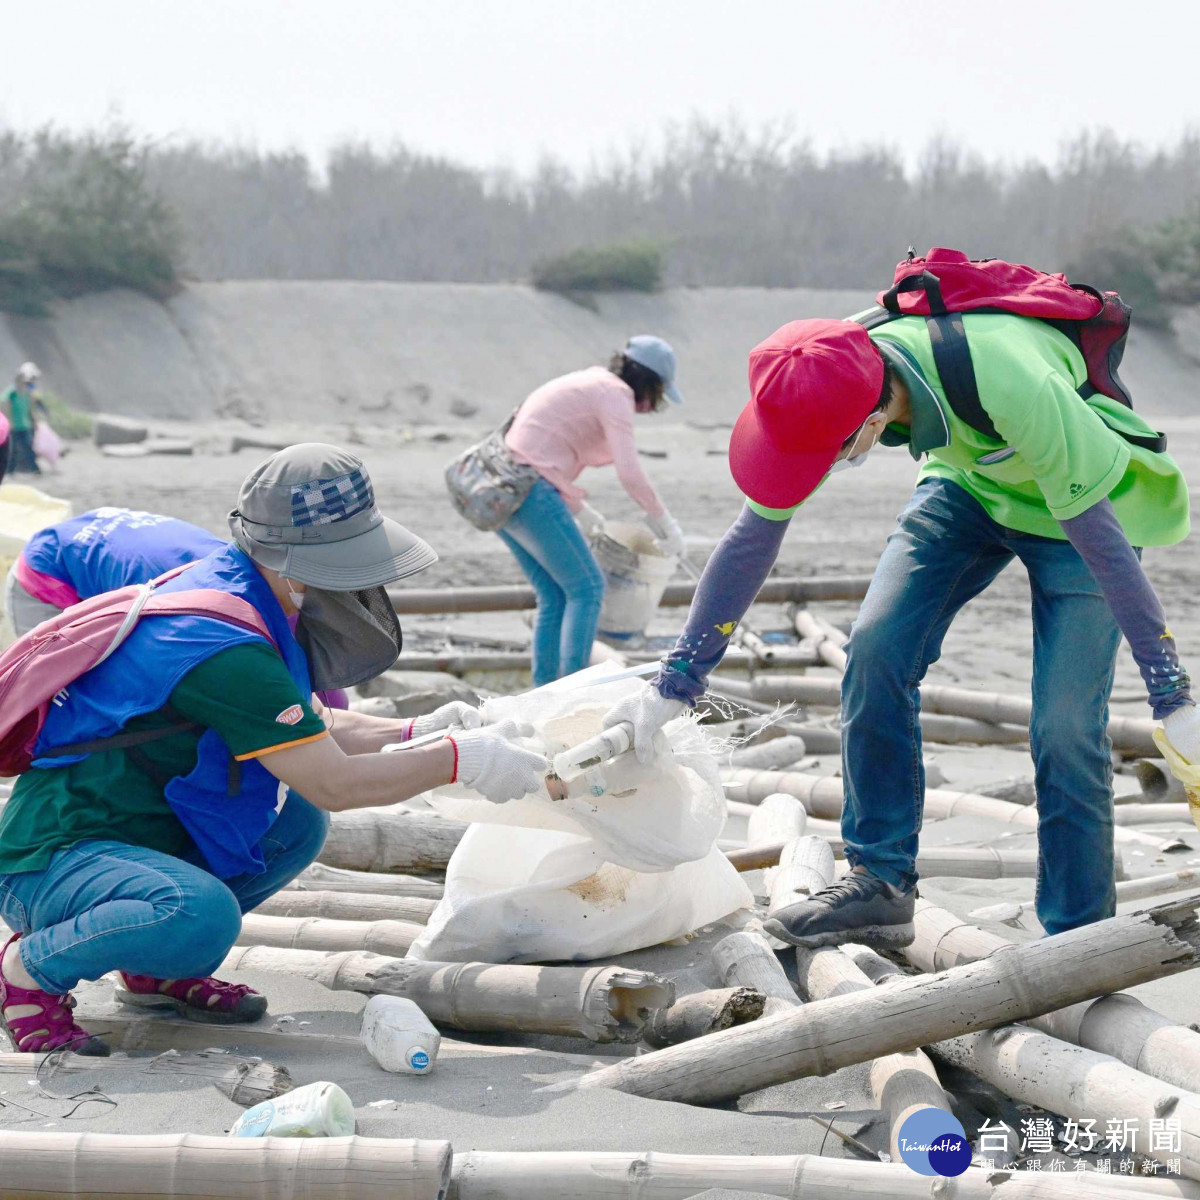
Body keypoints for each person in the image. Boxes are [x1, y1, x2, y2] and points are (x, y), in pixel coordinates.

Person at [605, 311, 1196, 947]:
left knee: (1066, 722)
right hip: (968, 482)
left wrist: (1173, 696)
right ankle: (880, 882)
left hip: (1082, 510)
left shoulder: (1011, 382)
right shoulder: (822, 370)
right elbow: (752, 537)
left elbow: (1103, 544)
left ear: (873, 422)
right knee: (875, 651)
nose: (820, 467)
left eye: (829, 454)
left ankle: (1078, 937)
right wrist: (675, 682)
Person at [0, 444, 547, 1055]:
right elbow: (335, 780)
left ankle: (156, 967)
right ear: (291, 560)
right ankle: (29, 970)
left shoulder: (250, 596)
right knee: (201, 916)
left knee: (296, 824)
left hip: (139, 837)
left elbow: (311, 730)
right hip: (54, 859)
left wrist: (415, 731)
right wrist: (459, 759)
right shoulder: (222, 641)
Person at [499, 336, 686, 685]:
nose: (653, 404)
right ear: (649, 382)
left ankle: (544, 691)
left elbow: (543, 450)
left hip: (502, 490)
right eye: (659, 392)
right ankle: (575, 691)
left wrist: (579, 510)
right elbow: (630, 473)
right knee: (588, 588)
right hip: (531, 490)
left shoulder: (591, 381)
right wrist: (665, 524)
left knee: (554, 594)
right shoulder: (615, 393)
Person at [7, 508, 225, 638]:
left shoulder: (230, 557)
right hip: (45, 571)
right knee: (46, 682)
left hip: (98, 541)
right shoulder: (169, 595)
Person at [3, 363, 47, 475]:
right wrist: (10, 422)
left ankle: (34, 469)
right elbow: (5, 405)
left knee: (28, 447)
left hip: (25, 425)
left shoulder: (28, 392)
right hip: (14, 426)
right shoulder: (12, 392)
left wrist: (34, 421)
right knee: (13, 450)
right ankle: (10, 471)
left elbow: (30, 408)